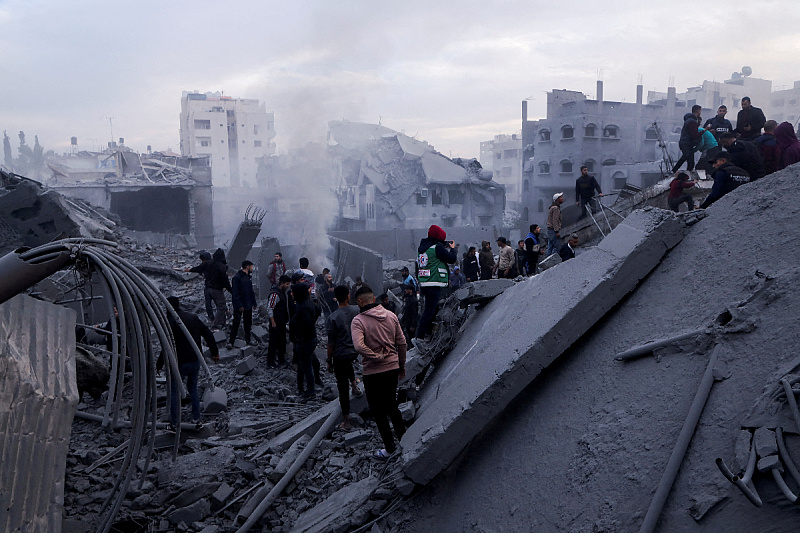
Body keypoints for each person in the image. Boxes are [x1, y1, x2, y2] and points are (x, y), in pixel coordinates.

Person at [350, 285, 407, 459]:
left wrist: (374, 356)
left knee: (379, 411)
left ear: (360, 302)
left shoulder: (358, 321)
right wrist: (401, 365)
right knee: (392, 405)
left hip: (372, 373)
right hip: (392, 368)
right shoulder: (391, 316)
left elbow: (359, 346)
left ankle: (389, 448)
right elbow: (402, 343)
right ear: (373, 299)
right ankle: (405, 441)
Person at [165, 296, 219, 431]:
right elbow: (208, 333)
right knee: (192, 388)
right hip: (195, 360)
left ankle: (174, 423)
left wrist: (159, 364)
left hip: (180, 362)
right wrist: (214, 352)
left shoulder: (169, 322)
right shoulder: (192, 318)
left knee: (174, 390)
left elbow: (166, 346)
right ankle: (197, 419)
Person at [326, 285, 363, 430]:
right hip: (356, 349)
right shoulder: (357, 310)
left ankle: (346, 420)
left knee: (342, 387)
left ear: (336, 298)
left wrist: (329, 360)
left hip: (341, 353)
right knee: (347, 363)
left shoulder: (333, 317)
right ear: (348, 296)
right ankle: (354, 386)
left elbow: (331, 343)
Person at [415, 224, 457, 340]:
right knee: (429, 311)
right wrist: (453, 249)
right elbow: (451, 259)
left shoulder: (423, 248)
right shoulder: (437, 248)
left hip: (425, 283)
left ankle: (428, 333)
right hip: (434, 282)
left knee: (432, 309)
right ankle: (420, 337)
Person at [289, 281, 320, 401]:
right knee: (302, 365)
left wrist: (299, 334)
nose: (292, 294)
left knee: (307, 366)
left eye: (293, 292)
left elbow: (307, 324)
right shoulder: (306, 303)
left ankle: (310, 392)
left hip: (305, 340)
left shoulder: (304, 307)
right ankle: (301, 389)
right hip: (307, 339)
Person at [672, 105, 709, 173]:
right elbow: (694, 135)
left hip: (687, 143)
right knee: (686, 156)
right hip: (687, 143)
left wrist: (698, 124)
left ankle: (688, 173)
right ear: (698, 111)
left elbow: (691, 130)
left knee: (691, 161)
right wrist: (705, 130)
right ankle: (674, 170)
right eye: (700, 111)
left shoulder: (690, 120)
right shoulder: (692, 121)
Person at [229, 260, 256, 348]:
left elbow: (251, 291)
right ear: (247, 266)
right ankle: (231, 342)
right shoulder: (237, 278)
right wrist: (239, 305)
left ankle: (248, 340)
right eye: (251, 266)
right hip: (240, 305)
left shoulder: (248, 277)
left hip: (248, 304)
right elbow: (235, 293)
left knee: (248, 323)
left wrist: (254, 302)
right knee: (236, 323)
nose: (252, 268)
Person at [267, 274, 291, 367]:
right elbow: (270, 308)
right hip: (276, 322)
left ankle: (281, 359)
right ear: (282, 283)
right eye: (287, 284)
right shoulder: (275, 294)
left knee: (282, 341)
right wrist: (273, 321)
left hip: (281, 322)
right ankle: (270, 361)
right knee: (273, 342)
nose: (288, 286)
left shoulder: (281, 292)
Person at [183, 251, 215, 322]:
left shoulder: (208, 264)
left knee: (211, 303)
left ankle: (214, 318)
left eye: (203, 260)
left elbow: (198, 269)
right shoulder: (213, 264)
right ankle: (216, 318)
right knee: (212, 303)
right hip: (212, 287)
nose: (203, 261)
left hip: (213, 287)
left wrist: (190, 270)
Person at [206, 248, 232, 330]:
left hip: (208, 288)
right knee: (221, 306)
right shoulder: (221, 266)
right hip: (217, 289)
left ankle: (222, 322)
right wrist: (231, 290)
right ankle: (216, 324)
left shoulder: (210, 264)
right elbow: (225, 281)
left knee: (218, 306)